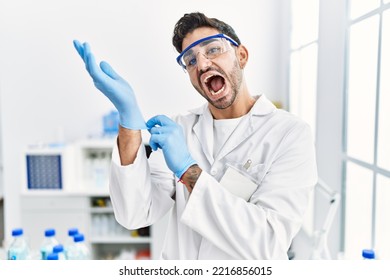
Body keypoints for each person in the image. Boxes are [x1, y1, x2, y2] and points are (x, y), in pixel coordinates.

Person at [73, 12, 318, 260]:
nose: (201, 65)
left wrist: (187, 169)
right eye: (190, 60)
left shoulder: (290, 134)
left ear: (241, 56)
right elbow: (134, 213)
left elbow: (267, 242)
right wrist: (128, 121)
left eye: (212, 50)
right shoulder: (182, 129)